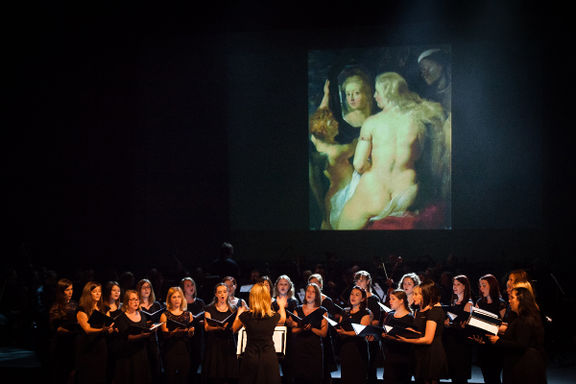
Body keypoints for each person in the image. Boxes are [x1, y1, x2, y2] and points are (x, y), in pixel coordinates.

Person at [333, 72, 447, 230]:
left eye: (377, 92)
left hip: (375, 190)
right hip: (405, 192)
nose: (374, 96)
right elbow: (419, 157)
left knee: (341, 229)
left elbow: (358, 164)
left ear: (388, 93)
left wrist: (370, 167)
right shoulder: (418, 123)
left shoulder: (372, 122)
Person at [486, 287, 546, 384]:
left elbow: (521, 344)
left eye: (512, 298)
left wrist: (498, 341)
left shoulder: (526, 320)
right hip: (519, 364)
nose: (509, 301)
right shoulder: (519, 318)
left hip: (525, 366)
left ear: (521, 300)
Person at [232, 282, 287, 384]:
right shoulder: (273, 316)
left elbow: (234, 329)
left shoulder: (245, 316)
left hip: (250, 357)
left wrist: (238, 314)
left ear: (252, 297)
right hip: (268, 358)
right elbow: (283, 319)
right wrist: (282, 306)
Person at [395, 280, 449, 384]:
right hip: (419, 353)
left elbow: (428, 339)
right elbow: (419, 330)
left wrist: (407, 339)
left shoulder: (434, 311)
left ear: (425, 295)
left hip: (431, 355)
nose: (413, 297)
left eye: (416, 294)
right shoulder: (420, 310)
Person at [75, 281, 115, 384]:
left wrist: (110, 329)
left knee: (100, 375)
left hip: (101, 346)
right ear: (89, 293)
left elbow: (110, 326)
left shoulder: (104, 308)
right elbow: (87, 330)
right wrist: (103, 330)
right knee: (88, 376)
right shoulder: (82, 310)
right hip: (87, 346)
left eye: (99, 291)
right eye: (95, 291)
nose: (98, 294)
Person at [291, 282, 328, 384]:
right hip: (300, 348)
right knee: (300, 378)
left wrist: (311, 329)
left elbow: (324, 333)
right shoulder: (297, 309)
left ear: (317, 295)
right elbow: (293, 330)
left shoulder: (322, 311)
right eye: (308, 291)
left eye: (313, 292)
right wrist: (302, 328)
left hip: (315, 348)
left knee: (314, 377)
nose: (310, 294)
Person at [114, 289, 154, 384]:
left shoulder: (142, 314)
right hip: (128, 355)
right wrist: (141, 335)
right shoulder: (121, 318)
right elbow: (127, 337)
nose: (136, 302)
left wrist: (151, 328)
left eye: (137, 299)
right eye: (133, 299)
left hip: (141, 352)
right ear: (127, 302)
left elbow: (144, 329)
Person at [203, 282, 239, 384]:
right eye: (219, 292)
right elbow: (206, 327)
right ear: (216, 294)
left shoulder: (233, 309)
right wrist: (218, 327)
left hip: (228, 344)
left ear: (228, 293)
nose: (222, 294)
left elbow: (234, 327)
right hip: (214, 344)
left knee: (228, 374)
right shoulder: (209, 308)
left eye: (224, 292)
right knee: (215, 375)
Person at [336, 285, 372, 384]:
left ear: (363, 298)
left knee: (358, 377)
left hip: (358, 349)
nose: (353, 297)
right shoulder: (345, 311)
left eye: (357, 295)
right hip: (346, 348)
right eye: (352, 294)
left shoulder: (366, 313)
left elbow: (361, 332)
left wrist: (345, 332)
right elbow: (340, 327)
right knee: (346, 377)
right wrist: (338, 330)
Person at [475, 273, 507, 384]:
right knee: (486, 377)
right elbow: (476, 324)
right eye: (480, 285)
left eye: (484, 285)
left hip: (495, 345)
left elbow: (504, 326)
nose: (481, 288)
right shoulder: (479, 302)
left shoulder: (500, 304)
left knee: (495, 377)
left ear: (492, 286)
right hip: (483, 345)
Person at [160, 286, 195, 384]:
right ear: (169, 299)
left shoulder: (188, 314)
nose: (177, 300)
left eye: (179, 297)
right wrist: (174, 332)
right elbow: (165, 335)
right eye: (174, 297)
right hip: (170, 351)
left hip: (185, 350)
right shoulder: (164, 315)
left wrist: (191, 331)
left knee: (183, 379)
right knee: (170, 379)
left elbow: (191, 335)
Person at [308, 273, 339, 383]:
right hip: (310, 337)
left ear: (320, 285)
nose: (313, 286)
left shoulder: (327, 300)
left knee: (324, 369)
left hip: (324, 337)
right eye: (311, 284)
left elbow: (331, 320)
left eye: (315, 283)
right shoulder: (307, 301)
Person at [353, 270, 382, 384]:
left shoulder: (373, 299)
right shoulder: (354, 298)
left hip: (369, 337)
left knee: (370, 368)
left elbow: (376, 321)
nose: (359, 283)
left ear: (368, 282)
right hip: (357, 337)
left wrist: (366, 325)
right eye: (357, 280)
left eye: (362, 280)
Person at [443, 275, 473, 384]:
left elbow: (463, 325)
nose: (454, 287)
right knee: (454, 376)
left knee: (460, 376)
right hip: (452, 343)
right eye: (454, 284)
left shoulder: (468, 303)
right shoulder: (454, 301)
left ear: (464, 286)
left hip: (461, 345)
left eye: (458, 284)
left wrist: (450, 324)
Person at [48, 278, 78, 384]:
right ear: (61, 291)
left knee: (72, 372)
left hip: (73, 342)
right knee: (61, 372)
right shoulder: (56, 306)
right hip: (61, 344)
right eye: (67, 290)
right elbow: (54, 327)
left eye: (72, 289)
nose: (70, 292)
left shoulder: (75, 304)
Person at [381, 289, 414, 384]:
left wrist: (393, 337)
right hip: (389, 356)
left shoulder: (409, 317)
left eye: (393, 299)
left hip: (403, 358)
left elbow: (409, 339)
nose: (390, 301)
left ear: (401, 300)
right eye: (390, 299)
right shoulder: (390, 316)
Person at [272, 275, 299, 384]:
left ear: (289, 286)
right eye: (281, 284)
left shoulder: (293, 302)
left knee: (289, 368)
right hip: (275, 336)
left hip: (289, 338)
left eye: (285, 284)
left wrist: (288, 321)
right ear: (277, 286)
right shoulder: (273, 302)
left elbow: (295, 321)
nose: (283, 286)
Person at [137, 278, 164, 381]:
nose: (146, 290)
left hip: (155, 339)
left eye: (148, 287)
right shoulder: (136, 305)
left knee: (155, 367)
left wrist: (157, 325)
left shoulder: (156, 304)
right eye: (143, 288)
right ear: (139, 290)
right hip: (141, 340)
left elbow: (162, 319)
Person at [181, 277, 206, 384]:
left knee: (196, 363)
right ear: (183, 289)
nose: (191, 287)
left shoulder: (200, 302)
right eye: (187, 286)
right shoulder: (180, 303)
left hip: (198, 337)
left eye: (192, 285)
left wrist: (203, 322)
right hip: (184, 338)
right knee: (185, 365)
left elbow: (206, 318)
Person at [417, 48, 451, 113]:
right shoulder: (427, 99)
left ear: (440, 65)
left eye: (425, 68)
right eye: (422, 70)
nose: (424, 74)